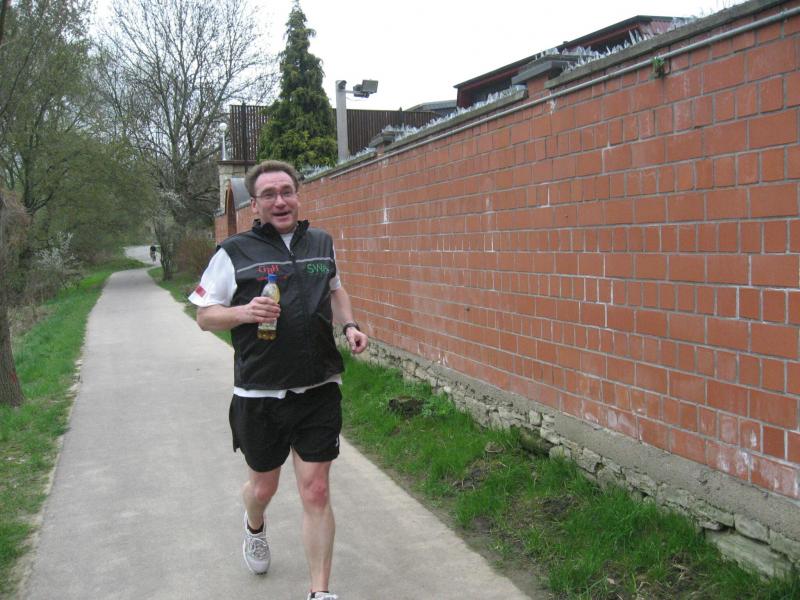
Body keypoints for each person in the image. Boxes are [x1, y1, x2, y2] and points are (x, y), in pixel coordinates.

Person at [189, 159, 368, 600]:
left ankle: (320, 593)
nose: (280, 201)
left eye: (286, 191)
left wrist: (349, 325)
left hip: (319, 386)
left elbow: (335, 289)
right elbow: (205, 315)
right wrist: (243, 312)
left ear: (298, 196)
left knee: (316, 490)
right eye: (268, 194)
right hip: (260, 392)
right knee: (263, 486)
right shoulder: (234, 251)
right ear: (255, 205)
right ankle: (254, 525)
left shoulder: (321, 243)